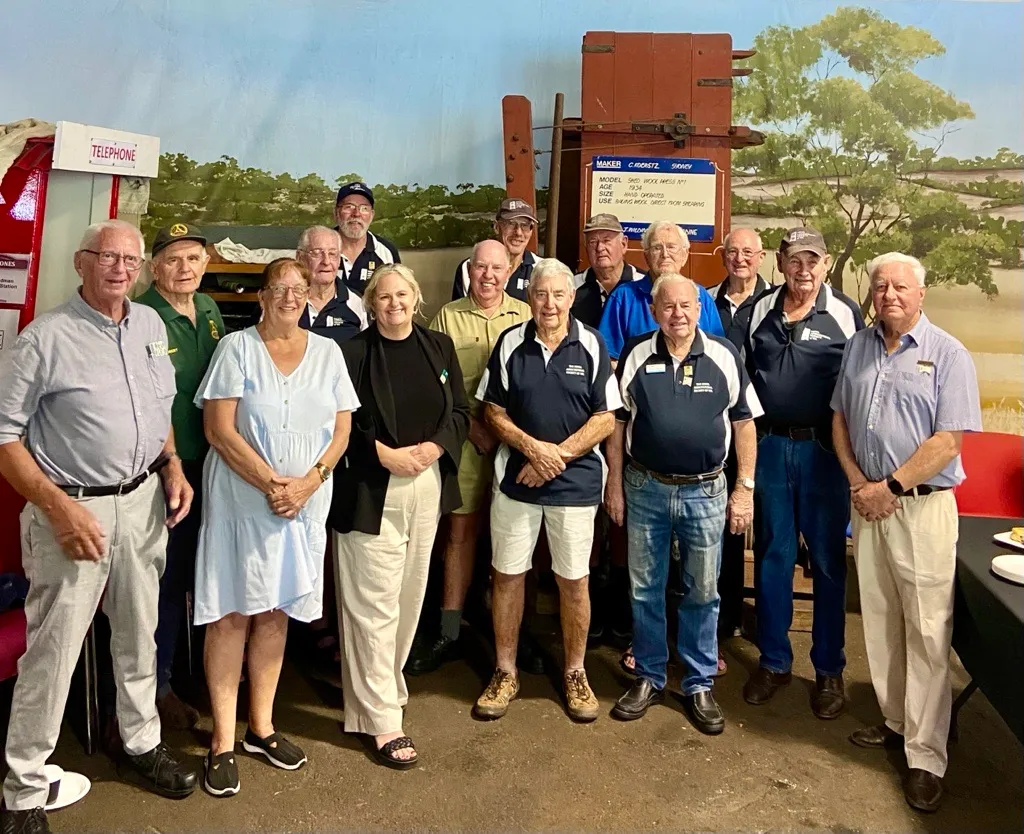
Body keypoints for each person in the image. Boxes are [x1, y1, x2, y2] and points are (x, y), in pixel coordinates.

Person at [0, 220, 198, 834]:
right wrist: (60, 509)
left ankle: (140, 744)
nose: (120, 268)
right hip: (73, 513)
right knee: (52, 653)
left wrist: (172, 464)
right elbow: (5, 437)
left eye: (129, 259)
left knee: (140, 635)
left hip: (143, 506)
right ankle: (23, 790)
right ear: (81, 262)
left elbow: (158, 408)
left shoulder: (147, 326)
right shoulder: (43, 339)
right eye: (106, 257)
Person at [193, 257, 359, 797]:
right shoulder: (235, 349)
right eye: (278, 287)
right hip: (245, 503)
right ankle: (222, 739)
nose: (290, 295)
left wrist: (309, 482)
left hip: (304, 504)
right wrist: (273, 484)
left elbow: (342, 431)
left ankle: (261, 727)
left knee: (276, 610)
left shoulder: (328, 353)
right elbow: (218, 430)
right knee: (232, 613)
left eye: (299, 287)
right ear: (261, 297)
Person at [832, 252, 981, 813]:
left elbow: (948, 442)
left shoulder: (948, 355)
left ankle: (925, 755)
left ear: (921, 294)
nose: (889, 294)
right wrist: (857, 483)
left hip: (919, 508)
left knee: (925, 629)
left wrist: (888, 488)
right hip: (868, 505)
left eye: (900, 286)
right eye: (880, 285)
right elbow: (840, 417)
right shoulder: (860, 346)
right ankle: (896, 723)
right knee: (882, 621)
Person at [605, 274, 760, 733]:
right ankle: (650, 675)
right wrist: (613, 483)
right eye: (668, 306)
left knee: (702, 591)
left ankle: (698, 682)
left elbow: (745, 424)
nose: (678, 314)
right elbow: (616, 424)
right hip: (645, 487)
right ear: (655, 311)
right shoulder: (636, 352)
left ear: (699, 308)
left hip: (706, 491)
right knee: (644, 587)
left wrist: (744, 489)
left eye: (686, 305)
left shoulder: (724, 355)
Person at [333, 264, 469, 769]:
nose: (393, 304)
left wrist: (434, 447)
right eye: (383, 296)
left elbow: (459, 412)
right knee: (373, 604)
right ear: (371, 304)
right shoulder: (350, 354)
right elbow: (336, 422)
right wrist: (382, 454)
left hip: (426, 484)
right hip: (372, 489)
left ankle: (382, 690)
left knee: (410, 596)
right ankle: (382, 719)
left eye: (402, 295)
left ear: (416, 298)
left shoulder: (440, 349)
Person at [473, 258, 620, 723]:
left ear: (571, 298)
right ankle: (504, 670)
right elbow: (492, 411)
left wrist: (555, 457)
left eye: (558, 295)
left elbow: (605, 418)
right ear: (530, 297)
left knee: (573, 580)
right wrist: (531, 448)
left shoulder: (593, 344)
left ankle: (575, 672)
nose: (549, 304)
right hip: (516, 482)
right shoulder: (510, 342)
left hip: (575, 487)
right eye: (541, 295)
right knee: (508, 575)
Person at [742, 226, 864, 719]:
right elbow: (740, 380)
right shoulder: (757, 312)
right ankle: (774, 661)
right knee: (774, 555)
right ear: (780, 261)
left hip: (823, 453)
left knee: (830, 562)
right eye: (795, 260)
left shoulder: (844, 313)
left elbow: (860, 385)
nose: (804, 270)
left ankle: (829, 669)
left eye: (813, 261)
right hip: (771, 447)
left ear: (827, 263)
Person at [407, 240, 531, 674]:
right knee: (460, 534)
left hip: (515, 445)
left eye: (497, 268)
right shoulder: (447, 316)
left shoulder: (527, 313)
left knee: (515, 538)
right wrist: (474, 428)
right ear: (470, 270)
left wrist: (511, 434)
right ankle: (450, 630)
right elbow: (442, 382)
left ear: (508, 272)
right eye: (481, 267)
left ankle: (515, 633)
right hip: (468, 441)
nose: (489, 276)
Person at [132, 222, 225, 731]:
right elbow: (150, 397)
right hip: (166, 470)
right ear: (154, 267)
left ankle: (187, 670)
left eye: (193, 258)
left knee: (194, 574)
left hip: (213, 465)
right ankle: (156, 685)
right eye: (173, 260)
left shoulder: (209, 309)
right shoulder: (143, 315)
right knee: (162, 583)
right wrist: (172, 462)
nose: (185, 268)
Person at [707, 227, 771, 653]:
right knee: (724, 526)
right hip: (717, 431)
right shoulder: (706, 301)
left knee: (766, 529)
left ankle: (765, 624)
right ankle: (725, 617)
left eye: (748, 252)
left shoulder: (776, 303)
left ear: (761, 257)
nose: (740, 259)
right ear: (722, 256)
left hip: (762, 431)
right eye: (732, 252)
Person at [598, 221, 725, 363]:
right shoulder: (624, 297)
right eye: (657, 248)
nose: (665, 254)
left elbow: (718, 353)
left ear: (684, 255)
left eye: (671, 247)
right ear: (646, 256)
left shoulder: (702, 297)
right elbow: (608, 359)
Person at [452, 198, 540, 302]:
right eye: (511, 224)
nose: (519, 232)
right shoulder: (470, 267)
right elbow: (458, 314)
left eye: (525, 225)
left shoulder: (541, 269)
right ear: (497, 227)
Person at [295, 225, 368, 341]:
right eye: (317, 253)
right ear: (300, 257)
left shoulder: (357, 303)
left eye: (332, 254)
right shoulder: (285, 301)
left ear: (339, 259)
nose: (326, 261)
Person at [571, 213, 641, 328]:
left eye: (606, 240)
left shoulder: (643, 284)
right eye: (593, 242)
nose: (599, 248)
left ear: (623, 244)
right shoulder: (572, 286)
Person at [333, 181, 400, 295]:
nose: (356, 213)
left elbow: (395, 293)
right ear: (336, 213)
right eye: (349, 207)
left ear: (372, 215)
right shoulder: (317, 248)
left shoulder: (386, 251)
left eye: (364, 208)